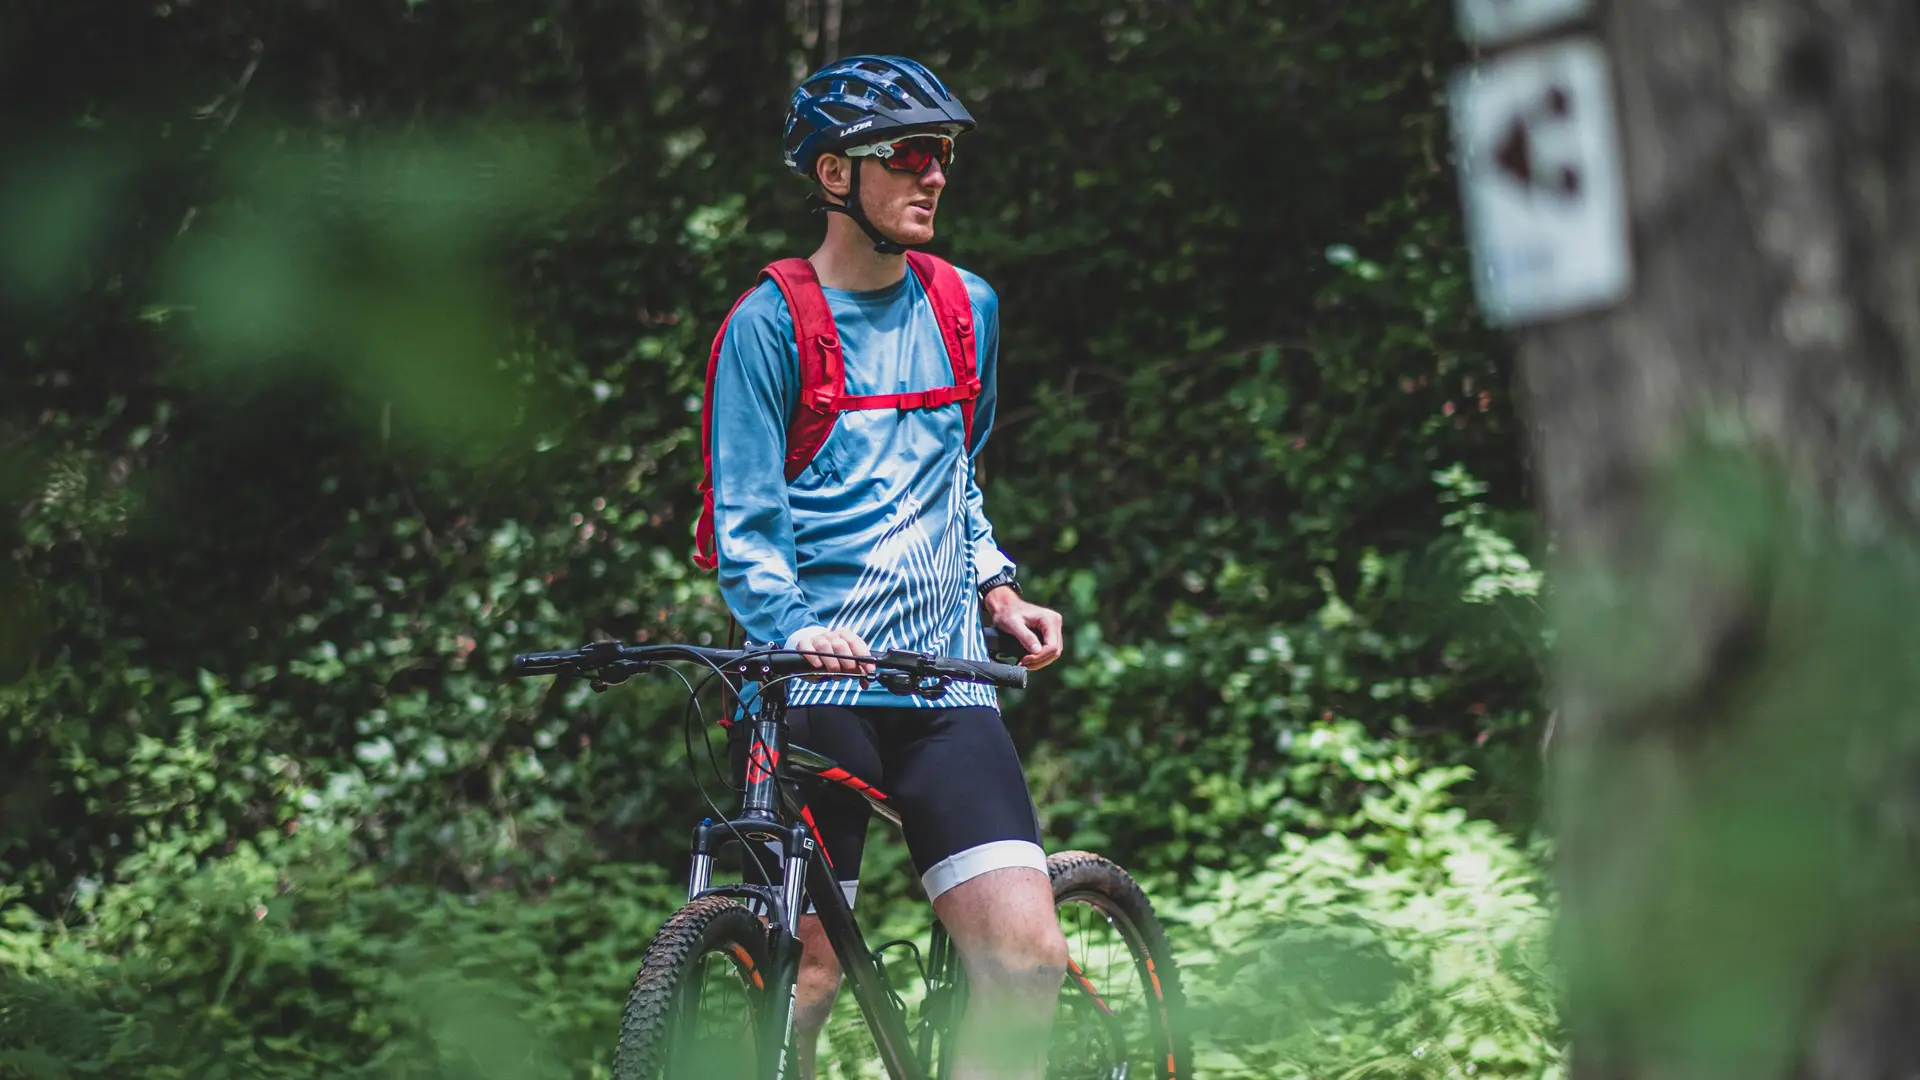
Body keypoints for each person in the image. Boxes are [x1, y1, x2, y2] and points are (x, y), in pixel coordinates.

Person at [703, 54, 1069, 1080]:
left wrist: (996, 584)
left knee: (1026, 965)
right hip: (813, 685)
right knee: (803, 985)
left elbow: (957, 474)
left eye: (942, 154)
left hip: (945, 679)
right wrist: (790, 625)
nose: (935, 175)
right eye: (907, 154)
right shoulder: (770, 325)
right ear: (833, 177)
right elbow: (744, 522)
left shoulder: (967, 307)